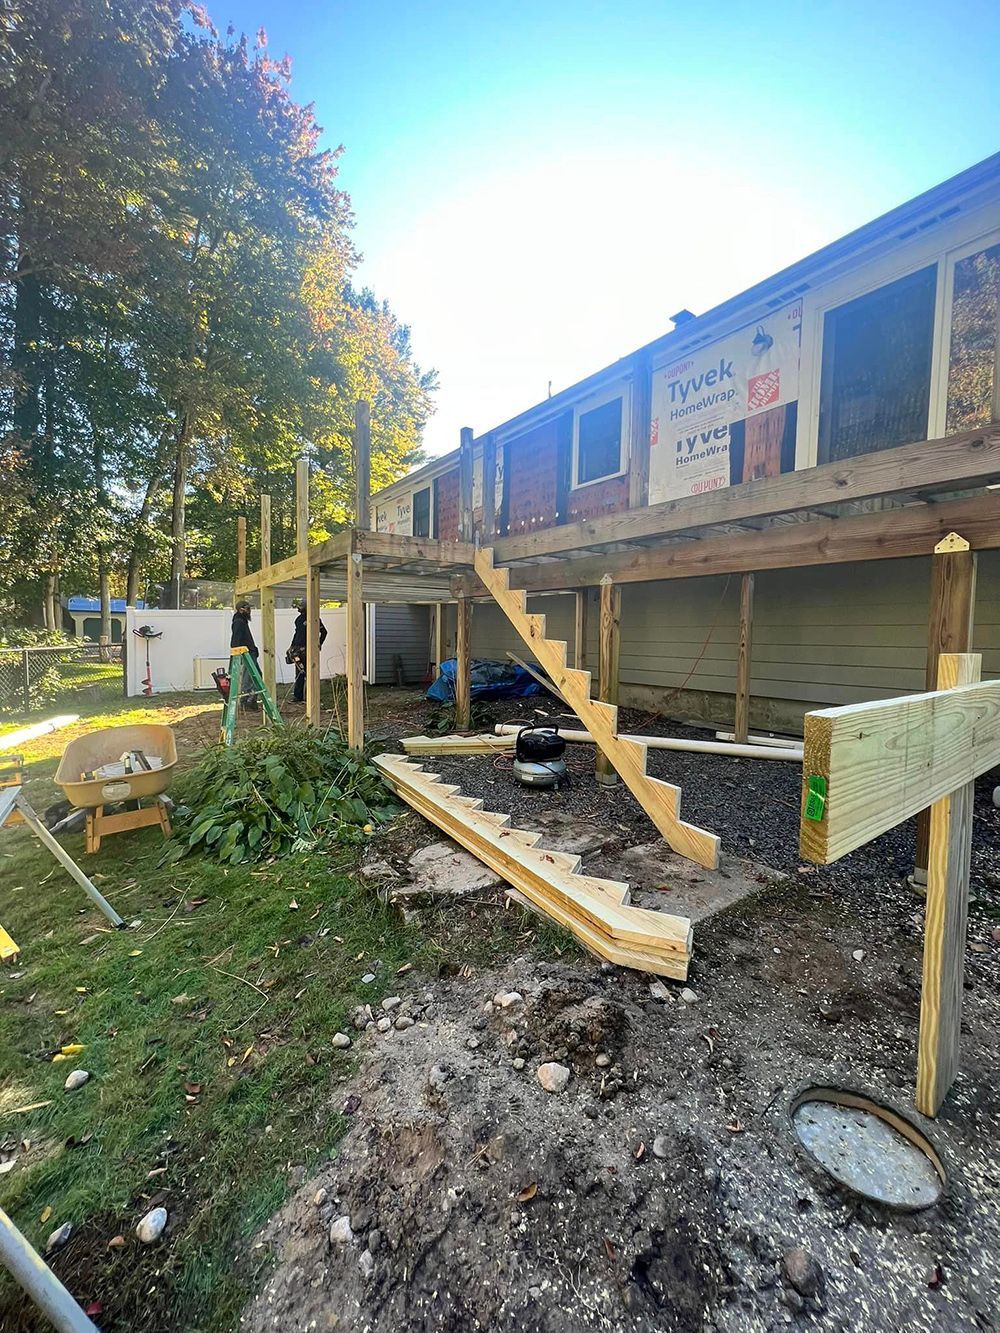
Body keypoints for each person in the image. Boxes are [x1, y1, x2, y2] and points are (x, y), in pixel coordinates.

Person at [287, 598, 327, 703]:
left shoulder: (314, 618)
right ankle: (298, 696)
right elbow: (297, 634)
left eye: (301, 606)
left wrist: (318, 644)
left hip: (309, 650)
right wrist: (291, 646)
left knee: (310, 672)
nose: (299, 608)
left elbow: (324, 632)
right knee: (300, 672)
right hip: (297, 650)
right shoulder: (298, 619)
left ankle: (312, 697)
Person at [231, 598, 260, 710]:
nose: (250, 611)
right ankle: (245, 701)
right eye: (248, 608)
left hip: (250, 652)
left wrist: (254, 648)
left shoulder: (242, 621)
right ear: (241, 610)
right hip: (247, 654)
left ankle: (251, 700)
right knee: (248, 677)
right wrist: (237, 654)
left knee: (257, 675)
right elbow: (236, 640)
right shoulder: (238, 622)